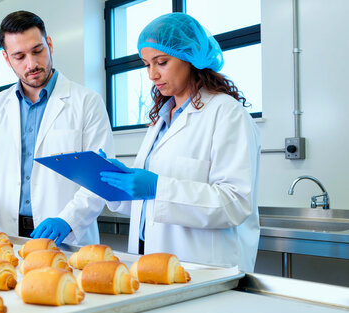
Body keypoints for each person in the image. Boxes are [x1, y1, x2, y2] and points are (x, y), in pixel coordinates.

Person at [0, 11, 114, 245]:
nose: (32, 64)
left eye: (37, 50)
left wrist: (68, 220)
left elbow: (100, 176)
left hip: (66, 236)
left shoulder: (86, 102)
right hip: (7, 233)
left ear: (49, 44)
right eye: (19, 56)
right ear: (7, 59)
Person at [99, 13, 260, 272]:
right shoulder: (162, 119)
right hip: (149, 259)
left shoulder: (226, 113)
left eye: (161, 62)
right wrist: (118, 184)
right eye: (146, 64)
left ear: (190, 58)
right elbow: (149, 204)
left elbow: (235, 202)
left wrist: (158, 188)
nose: (151, 74)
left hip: (202, 265)